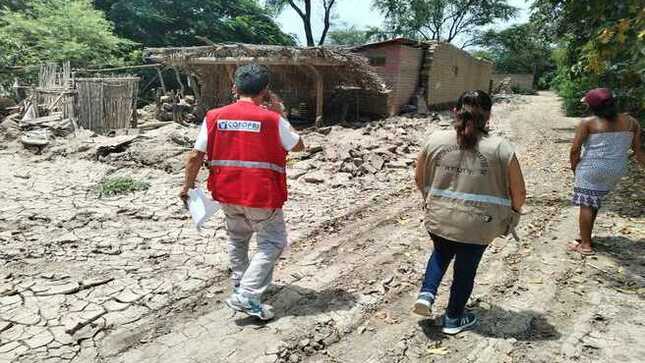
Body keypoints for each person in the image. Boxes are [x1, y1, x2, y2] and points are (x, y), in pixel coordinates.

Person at [179, 64, 305, 320]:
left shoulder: (214, 116)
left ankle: (241, 284)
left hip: (226, 192)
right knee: (272, 242)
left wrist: (187, 186)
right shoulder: (272, 119)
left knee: (238, 239)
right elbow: (298, 146)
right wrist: (280, 113)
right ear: (266, 91)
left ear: (235, 88)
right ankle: (247, 294)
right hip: (261, 194)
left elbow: (195, 155)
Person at [413, 90, 526, 335]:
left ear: (455, 111)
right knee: (466, 269)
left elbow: (419, 177)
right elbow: (519, 193)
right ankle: (453, 318)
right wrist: (514, 214)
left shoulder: (435, 140)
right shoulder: (501, 148)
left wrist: (430, 200)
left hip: (440, 216)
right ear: (489, 116)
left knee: (441, 252)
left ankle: (427, 294)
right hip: (479, 224)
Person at [569, 88, 643, 255]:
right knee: (594, 199)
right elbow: (638, 150)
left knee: (587, 203)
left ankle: (586, 245)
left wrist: (575, 167)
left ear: (592, 107)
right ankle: (585, 235)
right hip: (616, 169)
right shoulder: (631, 122)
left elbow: (575, 149)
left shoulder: (588, 122)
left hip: (592, 168)